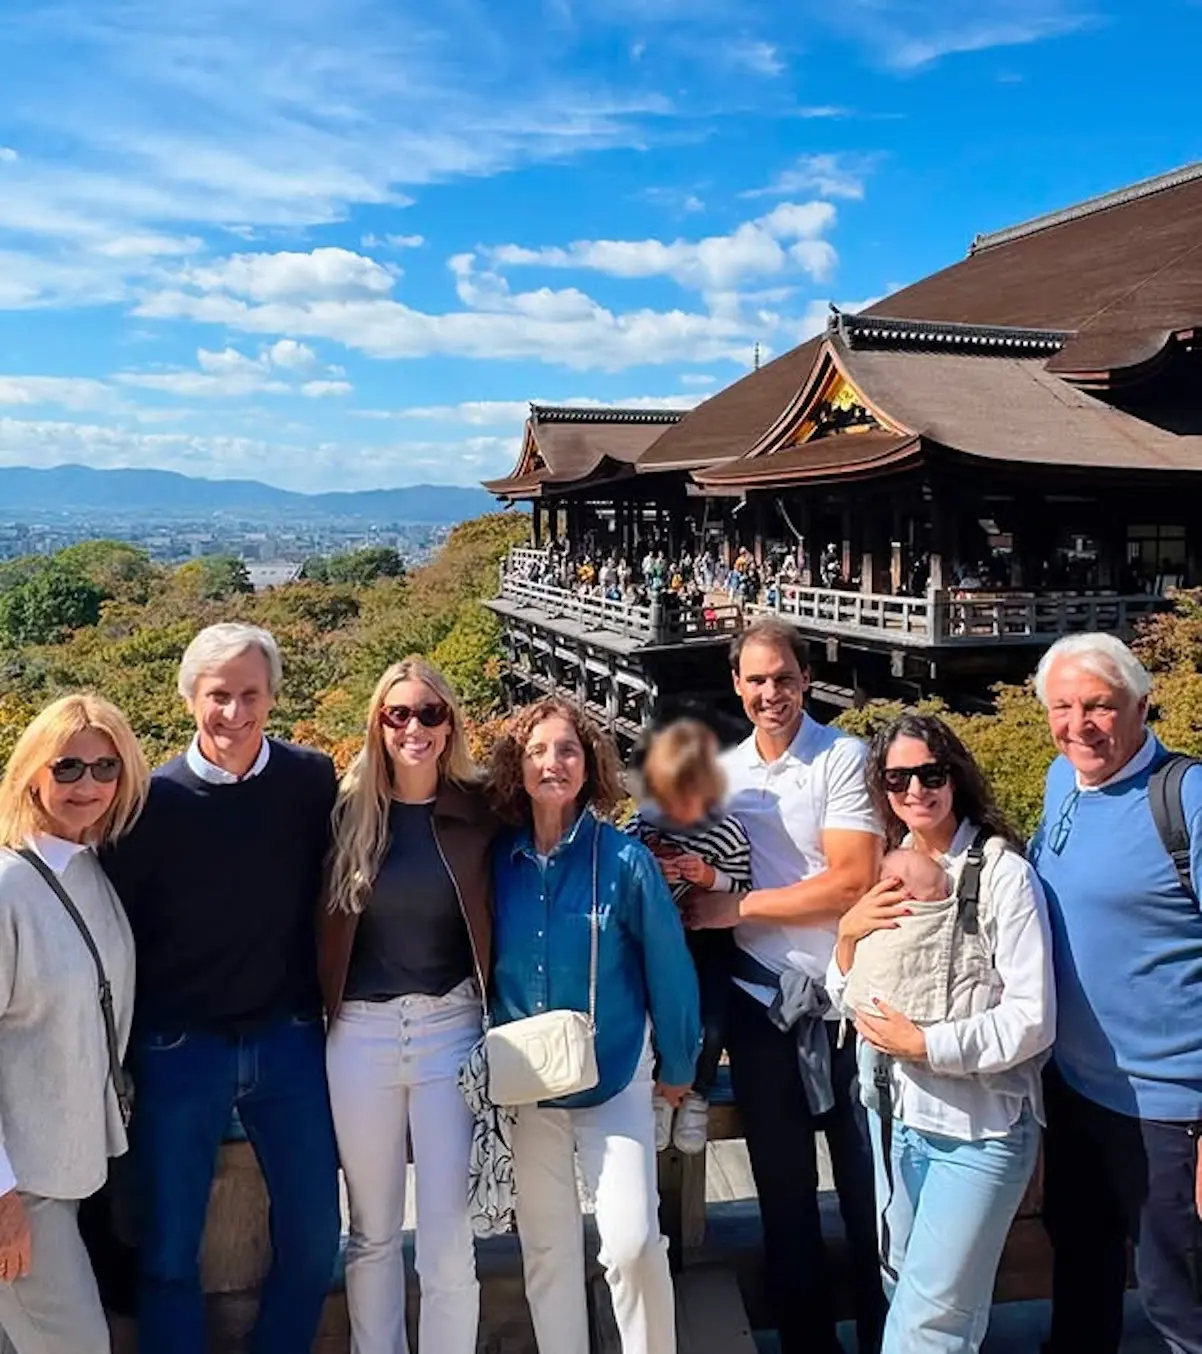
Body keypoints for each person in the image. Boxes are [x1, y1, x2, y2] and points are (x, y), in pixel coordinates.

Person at [103, 623, 341, 1354]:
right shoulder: (148, 805)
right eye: (218, 696)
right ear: (188, 700)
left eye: (249, 695)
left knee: (313, 1241)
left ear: (272, 697)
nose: (234, 714)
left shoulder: (310, 781)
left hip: (288, 1036)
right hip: (180, 1046)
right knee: (169, 1253)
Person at [686, 618, 885, 1354]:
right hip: (759, 1004)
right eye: (757, 680)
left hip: (846, 1004)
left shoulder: (840, 759)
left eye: (784, 678)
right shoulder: (727, 774)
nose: (771, 693)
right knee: (784, 1197)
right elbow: (692, 853)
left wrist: (735, 906)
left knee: (870, 1194)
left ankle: (882, 1337)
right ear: (737, 685)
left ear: (806, 679)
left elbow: (852, 879)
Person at [829, 713, 1055, 1354]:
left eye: (931, 774)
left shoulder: (1003, 874)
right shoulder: (891, 865)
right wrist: (847, 936)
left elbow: (1033, 1016)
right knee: (905, 1287)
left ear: (956, 776)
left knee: (930, 1326)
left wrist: (928, 1045)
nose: (916, 791)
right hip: (893, 1119)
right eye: (898, 778)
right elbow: (843, 985)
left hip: (977, 1130)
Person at [488, 698, 700, 1354]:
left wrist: (680, 1068)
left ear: (591, 764)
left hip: (613, 1072)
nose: (554, 763)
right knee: (548, 1254)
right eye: (538, 751)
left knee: (633, 1244)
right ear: (517, 767)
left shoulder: (624, 860)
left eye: (568, 750)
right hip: (527, 1085)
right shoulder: (496, 860)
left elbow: (669, 967)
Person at [319, 658, 498, 1354]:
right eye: (398, 714)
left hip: (450, 1027)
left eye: (429, 713)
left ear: (450, 721)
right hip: (359, 1034)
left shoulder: (480, 811)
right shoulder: (345, 813)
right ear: (377, 723)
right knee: (371, 1232)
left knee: (449, 1240)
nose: (414, 727)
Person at [1030, 633, 1202, 1354]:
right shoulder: (1059, 781)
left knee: (1177, 1297)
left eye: (1100, 706)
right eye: (1063, 707)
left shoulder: (1186, 796)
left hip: (1169, 1108)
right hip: (1076, 1091)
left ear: (1139, 704)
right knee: (1081, 1272)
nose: (1081, 725)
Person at [0, 695, 147, 1354]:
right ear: (32, 772)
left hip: (67, 1170)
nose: (88, 785)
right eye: (67, 767)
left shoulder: (86, 866)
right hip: (21, 1184)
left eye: (105, 767)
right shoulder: (8, 888)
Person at [625, 719, 752, 1154]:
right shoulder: (643, 828)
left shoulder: (726, 830)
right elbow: (620, 869)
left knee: (712, 1019)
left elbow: (743, 882)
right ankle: (663, 1093)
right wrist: (650, 872)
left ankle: (697, 1091)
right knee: (656, 1016)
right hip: (658, 941)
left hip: (708, 940)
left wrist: (709, 876)